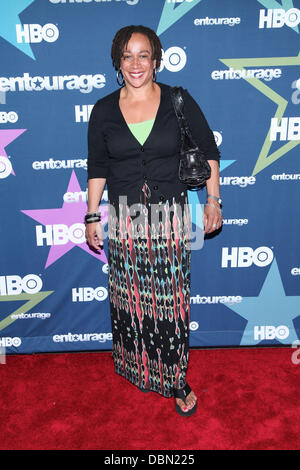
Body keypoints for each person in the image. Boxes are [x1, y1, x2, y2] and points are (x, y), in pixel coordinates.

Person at [86, 25, 222, 417]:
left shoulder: (178, 100)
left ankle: (176, 378)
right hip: (126, 219)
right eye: (127, 55)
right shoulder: (103, 110)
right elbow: (98, 166)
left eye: (143, 54)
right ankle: (140, 367)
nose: (135, 63)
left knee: (171, 301)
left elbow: (208, 151)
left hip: (170, 217)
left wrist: (212, 200)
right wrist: (93, 214)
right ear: (117, 61)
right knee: (130, 300)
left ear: (156, 59)